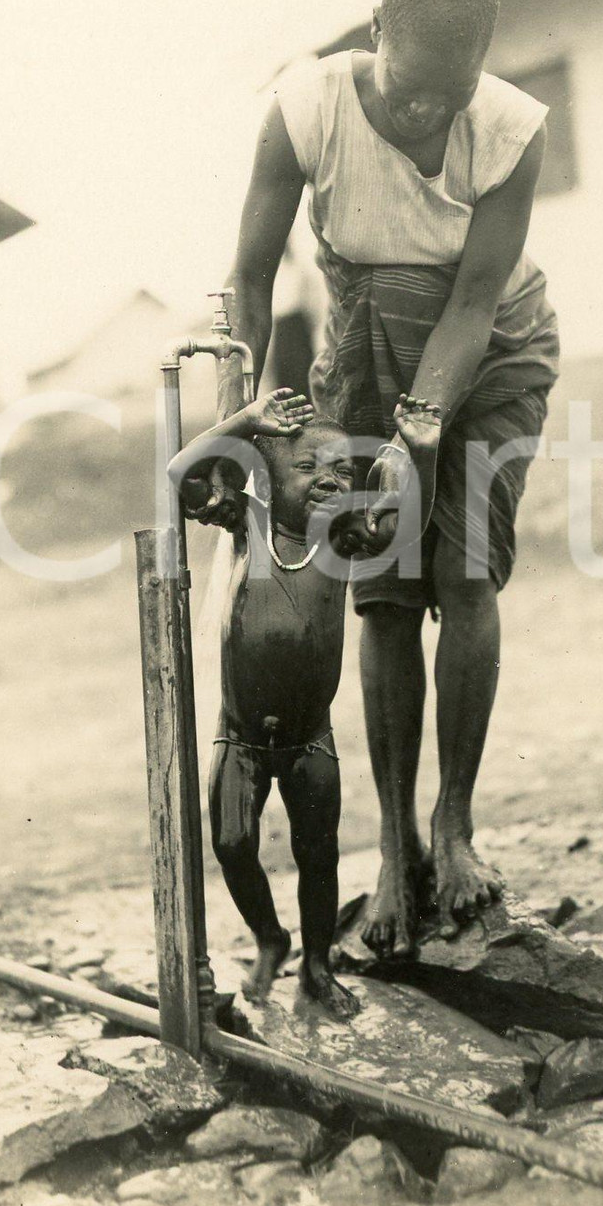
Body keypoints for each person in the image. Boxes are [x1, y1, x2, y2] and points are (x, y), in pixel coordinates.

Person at [198, 0, 560, 959]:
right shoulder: (304, 109)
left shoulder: (511, 130)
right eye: (406, 95)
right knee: (387, 593)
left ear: (479, 70)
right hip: (362, 346)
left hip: (485, 354)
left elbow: (477, 302)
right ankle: (396, 851)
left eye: (444, 101)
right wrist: (238, 424)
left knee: (465, 569)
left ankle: (455, 827)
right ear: (372, 36)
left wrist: (423, 430)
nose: (420, 119)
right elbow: (251, 271)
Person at [169, 386, 441, 1018]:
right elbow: (180, 476)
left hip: (309, 739)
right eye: (308, 467)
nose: (328, 479)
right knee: (233, 842)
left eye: (342, 471)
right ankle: (271, 937)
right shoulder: (247, 521)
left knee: (317, 854)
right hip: (238, 736)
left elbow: (407, 525)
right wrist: (243, 421)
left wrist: (421, 455)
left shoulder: (344, 539)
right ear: (268, 476)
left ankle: (317, 966)